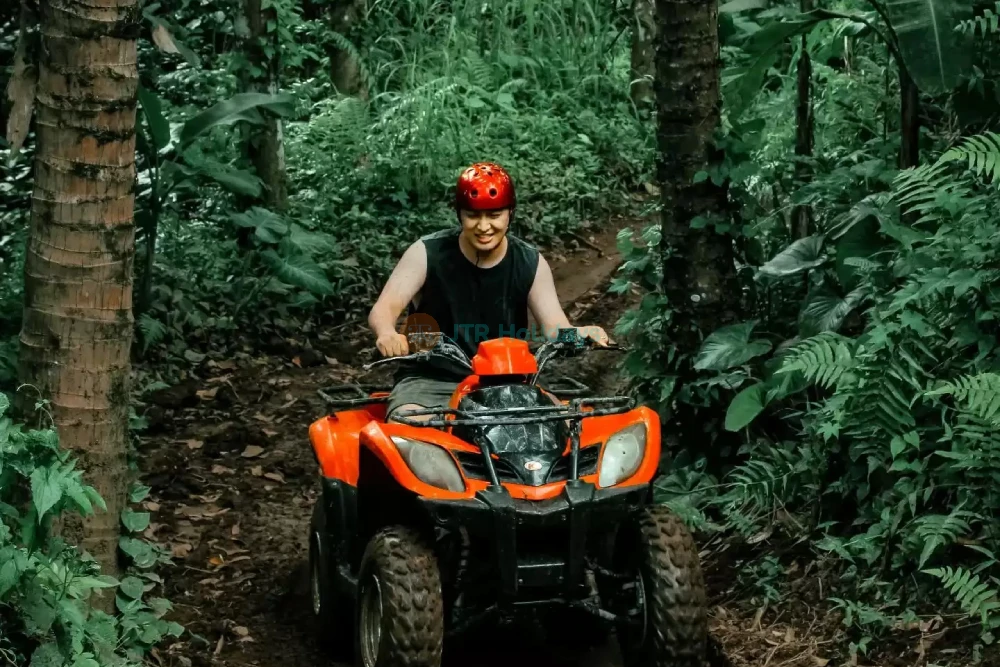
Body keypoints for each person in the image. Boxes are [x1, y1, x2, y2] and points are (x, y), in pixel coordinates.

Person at [367, 162, 610, 421]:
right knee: (412, 432)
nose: (483, 227)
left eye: (494, 215)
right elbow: (384, 310)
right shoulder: (427, 253)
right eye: (473, 215)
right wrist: (387, 333)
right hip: (431, 381)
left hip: (507, 383)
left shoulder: (529, 262)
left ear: (510, 214)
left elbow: (555, 330)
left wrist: (581, 335)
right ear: (460, 214)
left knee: (560, 429)